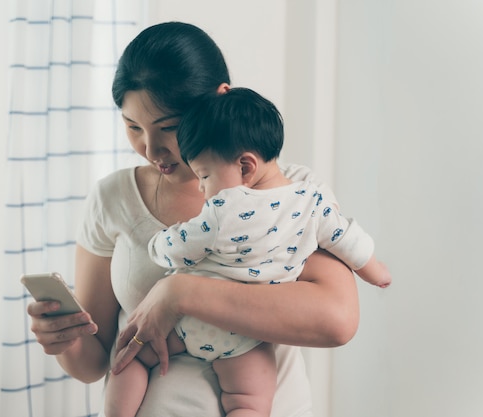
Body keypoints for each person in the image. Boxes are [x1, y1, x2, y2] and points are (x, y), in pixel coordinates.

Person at [27, 21, 362, 417]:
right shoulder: (113, 199)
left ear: (221, 99)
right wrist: (65, 340)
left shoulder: (292, 194)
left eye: (168, 127)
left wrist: (179, 294)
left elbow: (336, 320)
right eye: (133, 127)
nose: (151, 149)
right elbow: (95, 363)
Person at [103, 87, 391, 416]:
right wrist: (375, 271)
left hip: (192, 324)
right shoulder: (313, 200)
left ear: (244, 168)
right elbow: (347, 238)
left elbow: (176, 249)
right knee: (250, 402)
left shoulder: (224, 209)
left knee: (131, 356)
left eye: (205, 175)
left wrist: (158, 242)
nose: (202, 187)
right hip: (247, 339)